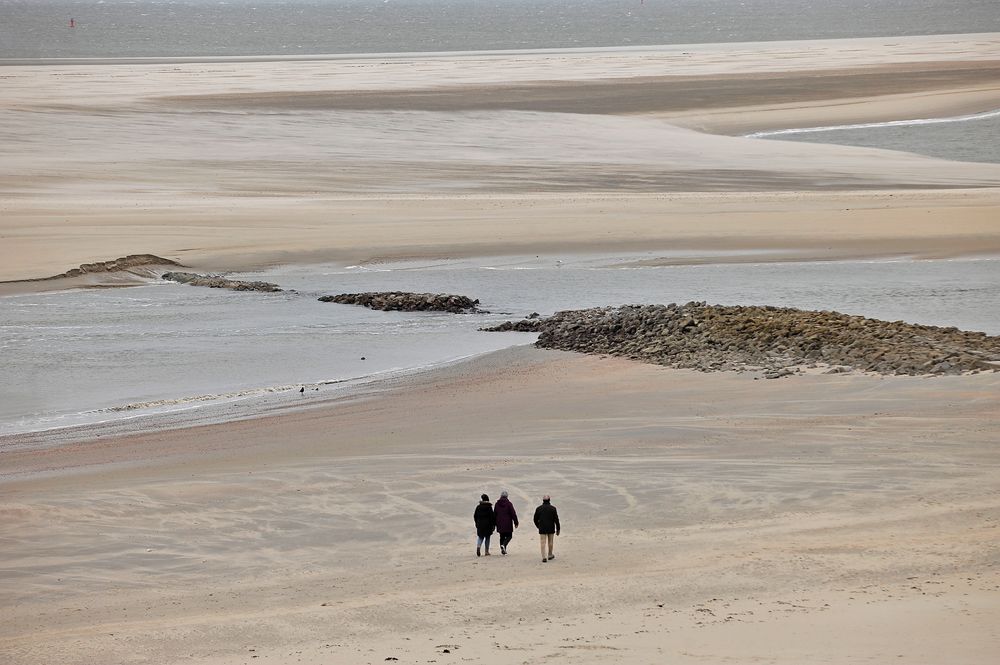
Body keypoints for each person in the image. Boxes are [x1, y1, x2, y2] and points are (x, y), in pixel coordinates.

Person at [533, 494, 561, 562]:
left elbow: (535, 519)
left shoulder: (539, 508)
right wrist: (558, 529)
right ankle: (550, 554)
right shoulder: (553, 508)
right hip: (551, 527)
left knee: (543, 542)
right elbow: (556, 520)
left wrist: (538, 526)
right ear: (549, 500)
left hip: (542, 527)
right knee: (550, 542)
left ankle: (543, 557)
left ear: (543, 500)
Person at [493, 490, 519, 555]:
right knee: (509, 536)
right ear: (507, 496)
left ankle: (503, 549)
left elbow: (494, 514)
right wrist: (516, 522)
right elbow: (513, 513)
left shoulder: (497, 504)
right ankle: (504, 545)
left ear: (501, 496)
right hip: (507, 523)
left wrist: (494, 524)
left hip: (499, 523)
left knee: (502, 536)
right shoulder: (509, 504)